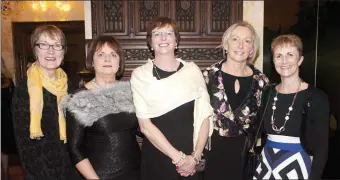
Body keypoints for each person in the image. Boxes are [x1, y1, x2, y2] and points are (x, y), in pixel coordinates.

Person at [130, 16, 214, 180]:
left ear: (176, 41)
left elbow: (205, 116)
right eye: (157, 34)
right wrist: (180, 159)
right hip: (158, 157)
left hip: (192, 157)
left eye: (168, 33)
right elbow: (145, 126)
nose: (163, 38)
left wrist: (195, 157)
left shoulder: (192, 71)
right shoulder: (140, 76)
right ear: (150, 42)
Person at [63, 35, 141, 180]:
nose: (107, 59)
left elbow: (142, 129)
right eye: (101, 54)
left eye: (113, 54)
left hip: (136, 172)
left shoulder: (131, 92)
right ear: (92, 61)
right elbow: (75, 149)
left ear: (119, 62)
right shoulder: (80, 99)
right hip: (100, 175)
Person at [253, 34, 329, 180]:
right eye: (278, 56)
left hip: (298, 166)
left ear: (300, 59)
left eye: (290, 55)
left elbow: (322, 148)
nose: (284, 61)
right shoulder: (267, 93)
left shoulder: (317, 97)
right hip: (267, 164)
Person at [202, 21, 269, 180]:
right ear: (225, 44)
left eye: (247, 41)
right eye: (235, 39)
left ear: (252, 49)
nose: (240, 45)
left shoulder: (262, 82)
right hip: (212, 156)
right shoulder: (207, 76)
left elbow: (265, 124)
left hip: (244, 159)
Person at [11, 25, 80, 180]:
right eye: (44, 44)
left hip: (72, 170)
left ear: (64, 51)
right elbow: (24, 145)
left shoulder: (71, 86)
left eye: (57, 45)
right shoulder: (24, 90)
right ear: (35, 51)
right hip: (41, 172)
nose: (51, 51)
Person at [1, 58, 16, 180]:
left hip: (4, 117)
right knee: (3, 148)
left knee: (3, 148)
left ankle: (5, 173)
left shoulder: (7, 81)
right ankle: (4, 173)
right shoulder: (7, 81)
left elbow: (13, 101)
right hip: (5, 116)